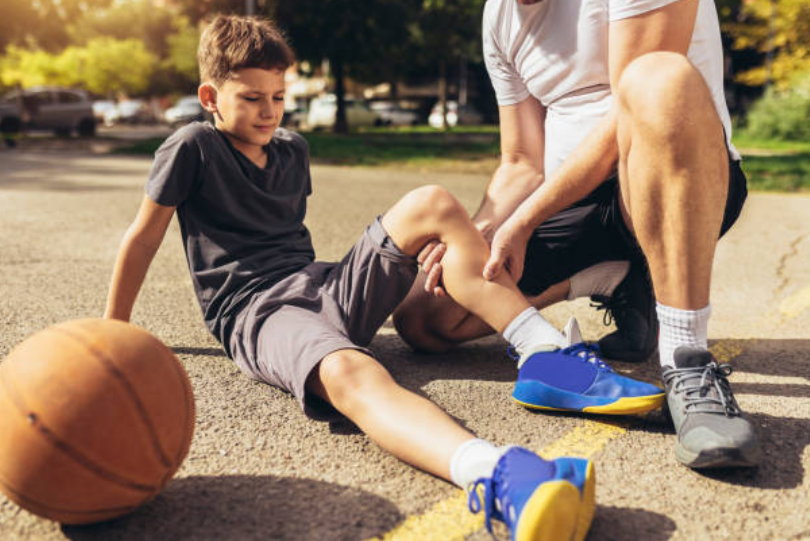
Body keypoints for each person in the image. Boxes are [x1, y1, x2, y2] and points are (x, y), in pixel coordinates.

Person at [102, 15, 667, 540]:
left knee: (434, 203)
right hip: (260, 311)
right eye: (251, 99)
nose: (269, 111)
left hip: (324, 283)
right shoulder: (193, 147)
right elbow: (143, 237)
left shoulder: (292, 150)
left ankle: (542, 352)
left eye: (278, 97)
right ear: (210, 97)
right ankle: (494, 474)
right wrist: (112, 331)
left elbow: (292, 241)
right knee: (352, 370)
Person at [394, 0, 761, 469]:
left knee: (658, 78)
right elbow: (522, 161)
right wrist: (482, 230)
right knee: (427, 316)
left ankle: (687, 361)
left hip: (669, 179)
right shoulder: (499, 16)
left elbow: (633, 117)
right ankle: (614, 278)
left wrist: (527, 220)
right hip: (569, 202)